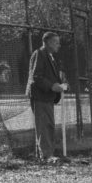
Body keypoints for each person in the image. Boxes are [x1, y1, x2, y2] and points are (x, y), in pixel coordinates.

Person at [26, 32, 69, 162]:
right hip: (40, 96)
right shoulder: (39, 53)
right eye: (56, 42)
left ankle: (47, 154)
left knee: (48, 124)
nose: (59, 45)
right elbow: (36, 77)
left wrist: (61, 82)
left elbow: (52, 76)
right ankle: (47, 156)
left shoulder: (50, 56)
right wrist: (52, 86)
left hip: (47, 97)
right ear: (49, 42)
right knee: (44, 125)